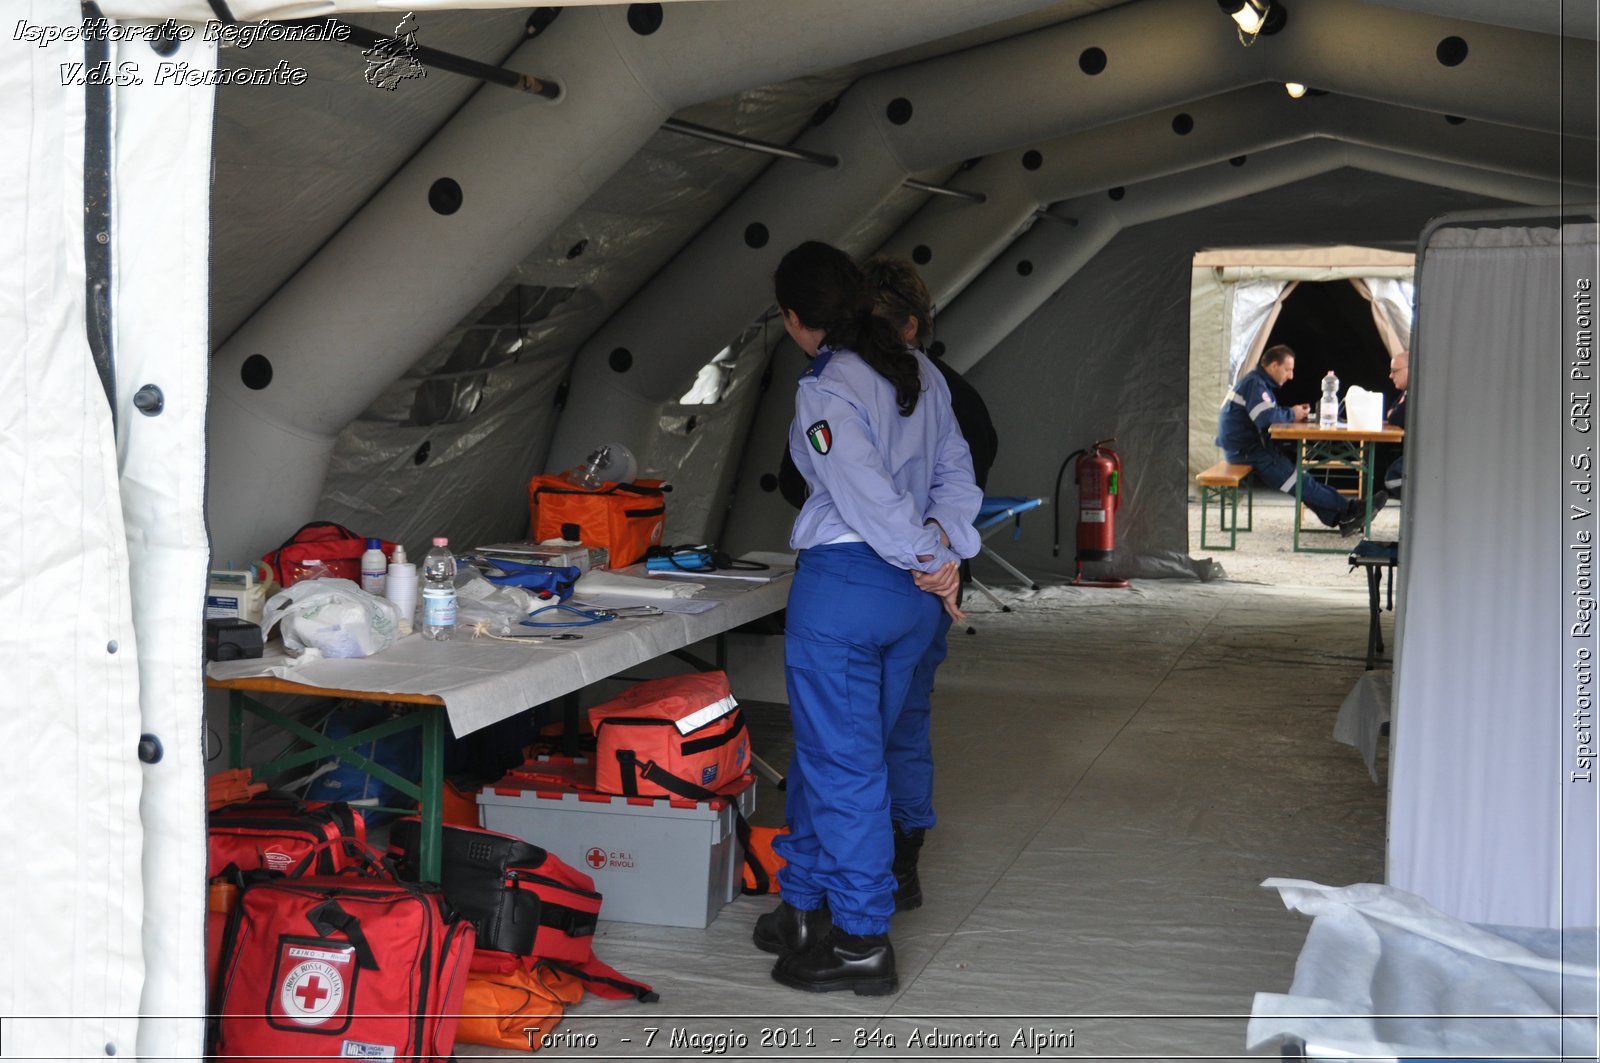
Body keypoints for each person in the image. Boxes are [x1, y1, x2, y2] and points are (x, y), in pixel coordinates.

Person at [756, 241, 981, 996]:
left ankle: (859, 938)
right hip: (912, 597)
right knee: (844, 756)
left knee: (841, 764)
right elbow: (956, 470)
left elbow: (859, 490)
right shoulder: (920, 372)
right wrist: (943, 549)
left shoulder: (828, 389)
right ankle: (802, 903)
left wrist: (926, 549)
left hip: (849, 590)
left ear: (795, 319)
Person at [1216, 344, 1382, 536]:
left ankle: (1342, 518)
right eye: (1288, 370)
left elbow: (1267, 414)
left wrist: (1291, 413)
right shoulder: (1255, 384)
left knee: (1300, 481)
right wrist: (1292, 413)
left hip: (1249, 449)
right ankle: (1352, 509)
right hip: (1248, 453)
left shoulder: (1256, 382)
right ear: (1273, 366)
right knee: (1300, 482)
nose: (1291, 376)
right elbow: (1266, 418)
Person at [1382, 349, 1408, 499]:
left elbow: (1395, 417)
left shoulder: (1418, 391)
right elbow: (1391, 412)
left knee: (1393, 478)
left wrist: (1393, 415)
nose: (1390, 376)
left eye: (1394, 371)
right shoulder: (1406, 392)